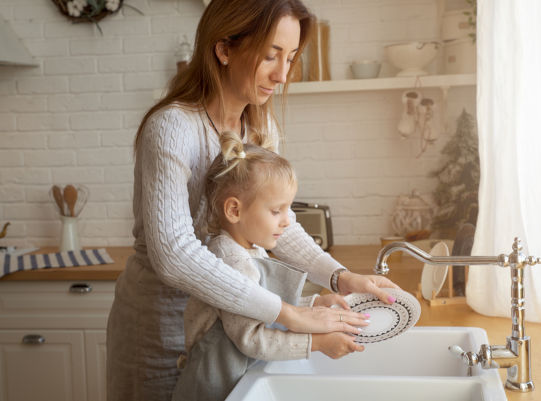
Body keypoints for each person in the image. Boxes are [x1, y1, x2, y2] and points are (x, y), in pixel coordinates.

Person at [106, 1, 398, 400]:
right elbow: (174, 253)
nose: (281, 75)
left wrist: (340, 277)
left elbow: (280, 223)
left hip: (228, 325)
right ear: (224, 48)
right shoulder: (172, 127)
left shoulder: (259, 128)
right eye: (270, 56)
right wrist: (287, 313)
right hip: (159, 329)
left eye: (291, 58)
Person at [172, 132, 366, 401]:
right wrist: (319, 343)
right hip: (214, 389)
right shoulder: (232, 260)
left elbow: (264, 305)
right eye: (277, 211)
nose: (287, 221)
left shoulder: (250, 247)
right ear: (234, 211)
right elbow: (253, 338)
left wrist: (314, 304)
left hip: (239, 382)